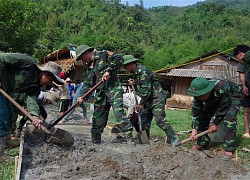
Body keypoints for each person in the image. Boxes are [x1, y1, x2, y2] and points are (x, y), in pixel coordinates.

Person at [0, 53, 64, 160]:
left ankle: (6, 141)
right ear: (46, 74)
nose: (50, 84)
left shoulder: (35, 88)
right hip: (1, 85)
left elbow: (31, 102)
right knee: (2, 116)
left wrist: (34, 116)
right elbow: (2, 58)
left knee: (10, 115)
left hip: (6, 91)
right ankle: (0, 155)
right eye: (51, 80)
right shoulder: (27, 62)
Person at [75, 45, 132, 144]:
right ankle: (95, 142)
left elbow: (120, 58)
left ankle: (131, 140)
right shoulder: (88, 68)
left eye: (81, 58)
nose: (82, 60)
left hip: (113, 90)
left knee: (119, 115)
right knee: (97, 118)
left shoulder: (103, 55)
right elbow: (87, 84)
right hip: (101, 94)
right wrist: (83, 97)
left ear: (86, 53)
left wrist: (109, 71)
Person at [122, 55, 179, 146]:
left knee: (160, 120)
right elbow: (141, 88)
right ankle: (145, 141)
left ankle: (174, 139)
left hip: (157, 98)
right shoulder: (136, 73)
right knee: (144, 122)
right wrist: (134, 83)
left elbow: (146, 91)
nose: (125, 68)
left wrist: (141, 104)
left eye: (125, 66)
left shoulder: (143, 71)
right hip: (147, 100)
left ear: (131, 64)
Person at [188, 77, 241, 159]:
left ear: (207, 91)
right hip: (214, 98)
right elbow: (196, 112)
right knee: (203, 116)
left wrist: (215, 123)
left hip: (232, 96)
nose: (199, 98)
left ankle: (229, 148)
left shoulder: (222, 86)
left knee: (229, 118)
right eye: (197, 96)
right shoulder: (198, 94)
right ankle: (202, 143)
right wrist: (194, 129)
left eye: (201, 96)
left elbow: (224, 107)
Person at [233, 44, 250, 138]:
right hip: (248, 88)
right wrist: (244, 86)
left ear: (240, 54)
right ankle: (247, 132)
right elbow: (242, 74)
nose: (238, 61)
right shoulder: (242, 63)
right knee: (246, 109)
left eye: (236, 58)